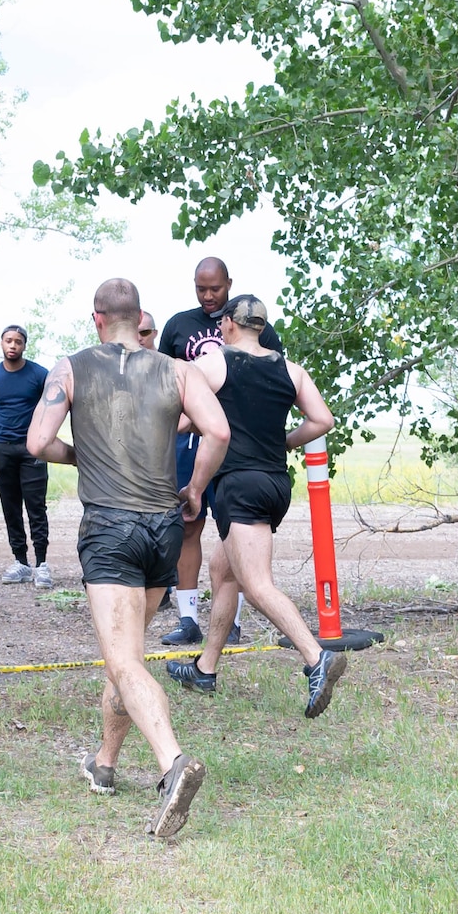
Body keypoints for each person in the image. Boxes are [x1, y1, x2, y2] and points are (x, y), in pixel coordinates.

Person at [28, 278, 232, 839]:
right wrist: (194, 488)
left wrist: (82, 456)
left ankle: (172, 765)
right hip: (164, 527)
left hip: (112, 528)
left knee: (121, 659)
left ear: (97, 319)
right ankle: (106, 762)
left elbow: (37, 442)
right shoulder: (175, 369)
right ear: (139, 317)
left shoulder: (69, 368)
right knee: (130, 654)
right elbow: (217, 429)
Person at [165, 296, 347, 718]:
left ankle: (315, 658)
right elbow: (322, 420)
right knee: (222, 570)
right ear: (262, 327)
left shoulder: (215, 362)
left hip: (238, 485)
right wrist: (282, 441)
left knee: (257, 583)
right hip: (275, 483)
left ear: (228, 324)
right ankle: (205, 669)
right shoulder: (290, 369)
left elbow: (179, 413)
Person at [158, 256, 283, 645]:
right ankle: (189, 618)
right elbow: (167, 381)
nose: (208, 296)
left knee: (236, 532)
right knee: (188, 524)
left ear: (229, 284)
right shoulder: (179, 325)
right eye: (201, 288)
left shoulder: (258, 328)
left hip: (239, 448)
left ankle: (232, 621)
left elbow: (274, 381)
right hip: (190, 443)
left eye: (215, 288)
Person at [0, 325, 53, 588]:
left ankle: (42, 564)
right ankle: (21, 562)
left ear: (24, 345)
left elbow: (50, 407)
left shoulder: (39, 375)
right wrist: (2, 434)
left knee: (36, 507)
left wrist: (38, 437)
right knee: (10, 506)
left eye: (18, 342)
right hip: (2, 448)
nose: (13, 346)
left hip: (32, 450)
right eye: (8, 341)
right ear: (1, 343)